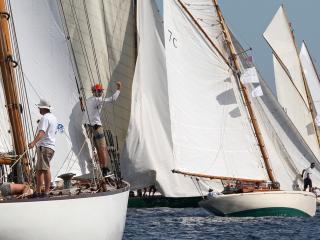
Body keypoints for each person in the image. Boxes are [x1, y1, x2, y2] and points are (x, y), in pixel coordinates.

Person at [83, 82, 122, 176]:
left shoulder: (89, 100)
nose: (100, 92)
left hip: (87, 127)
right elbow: (112, 99)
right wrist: (119, 89)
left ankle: (101, 168)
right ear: (94, 91)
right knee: (103, 148)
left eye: (101, 91)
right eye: (99, 91)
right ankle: (104, 169)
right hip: (96, 126)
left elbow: (84, 110)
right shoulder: (97, 100)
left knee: (96, 148)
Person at [28, 99, 57, 197]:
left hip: (44, 147)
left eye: (39, 107)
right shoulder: (53, 118)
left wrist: (33, 142)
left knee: (45, 169)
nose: (39, 109)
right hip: (50, 146)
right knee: (40, 169)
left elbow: (42, 132)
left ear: (44, 108)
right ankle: (38, 191)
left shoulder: (45, 118)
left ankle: (46, 192)